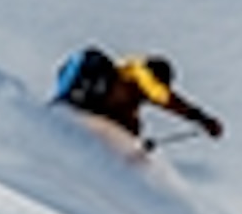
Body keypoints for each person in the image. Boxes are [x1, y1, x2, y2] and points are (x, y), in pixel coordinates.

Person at [50, 47, 225, 148]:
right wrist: (202, 118)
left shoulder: (128, 70)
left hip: (91, 104)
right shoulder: (144, 78)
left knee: (132, 125)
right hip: (100, 103)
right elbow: (168, 100)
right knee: (131, 127)